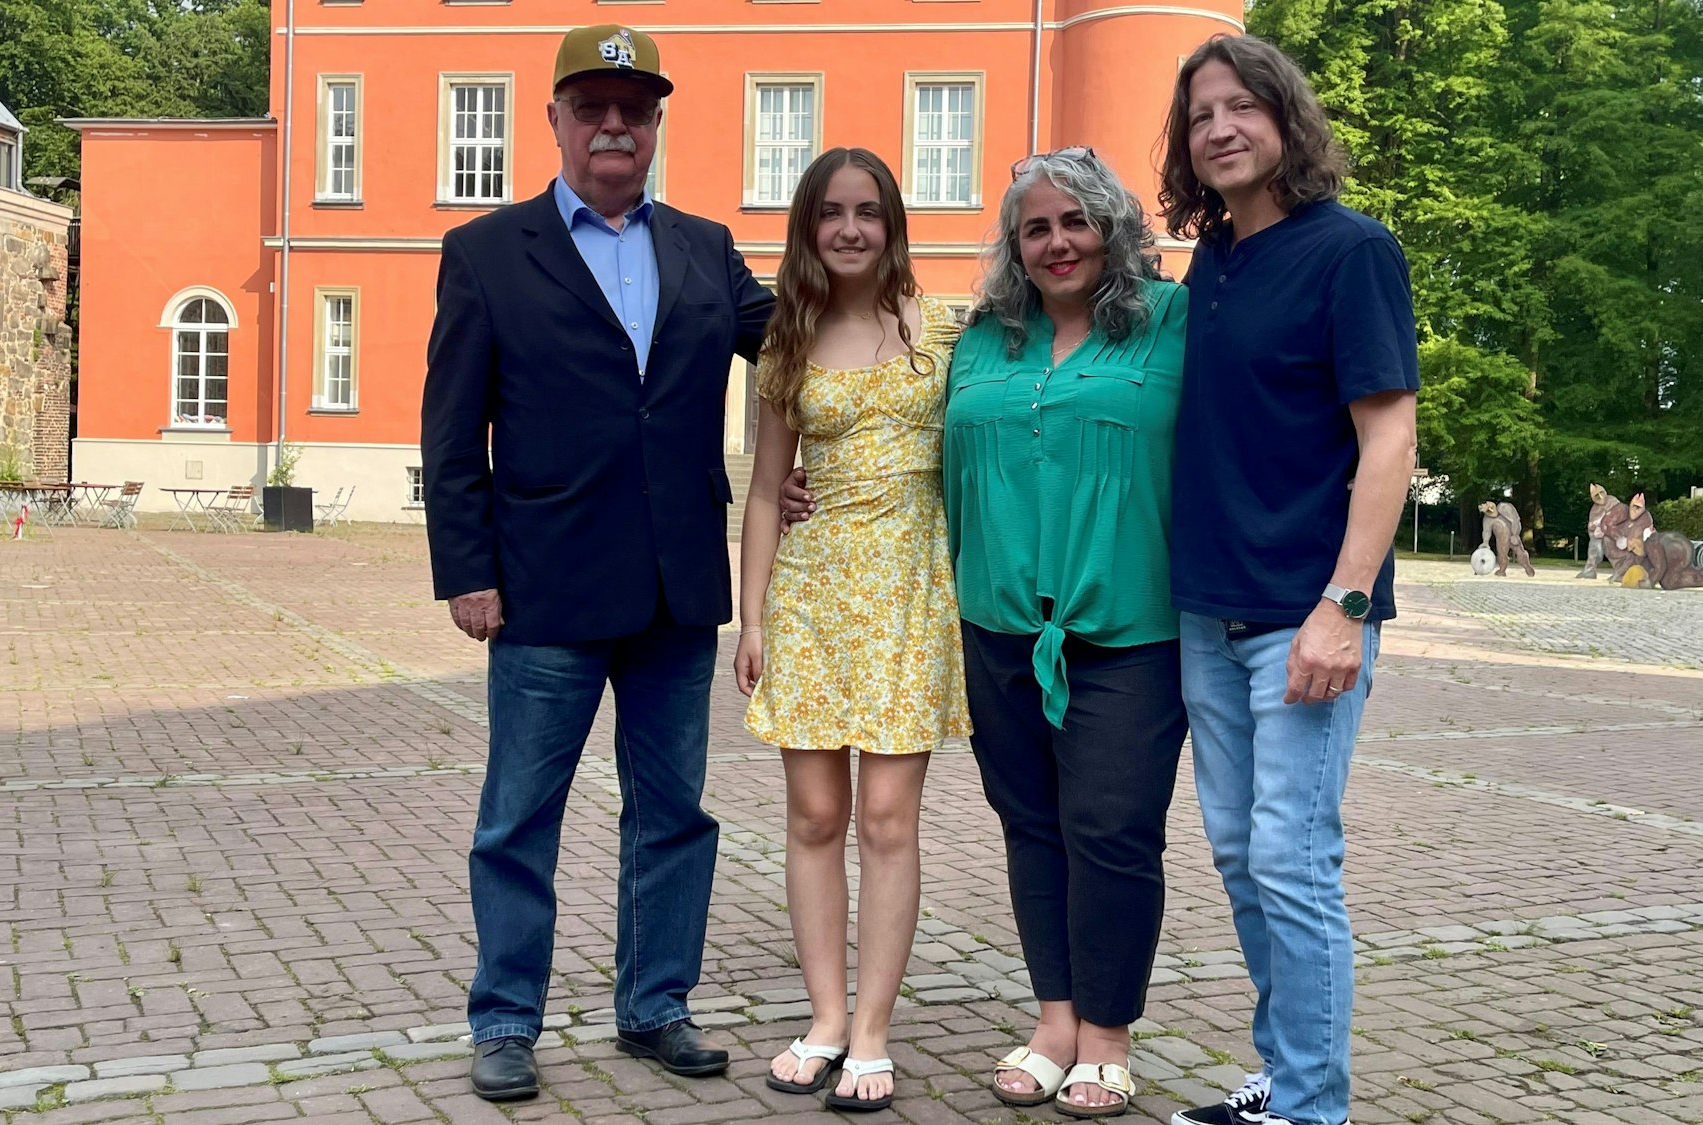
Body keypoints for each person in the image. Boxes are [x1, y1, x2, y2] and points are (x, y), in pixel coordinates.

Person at [792, 148, 1191, 1120]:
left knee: (1111, 830)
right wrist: (808, 482)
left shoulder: (1172, 321)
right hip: (997, 624)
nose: (1056, 242)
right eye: (1035, 228)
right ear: (1014, 246)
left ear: (1112, 228)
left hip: (1126, 627)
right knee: (1031, 825)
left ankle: (1106, 1035)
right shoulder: (979, 340)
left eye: (1075, 221)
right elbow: (881, 420)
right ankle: (1055, 1021)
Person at [419, 23, 773, 1104]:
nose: (614, 125)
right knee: (519, 818)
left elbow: (802, 345)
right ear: (556, 120)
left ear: (655, 125)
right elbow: (451, 428)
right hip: (544, 588)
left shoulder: (705, 247)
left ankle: (655, 1003)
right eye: (592, 107)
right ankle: (504, 1019)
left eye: (634, 109)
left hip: (675, 587)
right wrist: (465, 569)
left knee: (674, 814)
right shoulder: (487, 251)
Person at [1159, 35, 1419, 1125]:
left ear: (1285, 117)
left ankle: (1312, 1107)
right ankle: (1287, 1072)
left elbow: (1389, 435)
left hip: (1303, 615)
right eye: (1199, 114)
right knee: (1239, 853)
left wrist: (1344, 607)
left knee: (1291, 856)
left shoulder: (1351, 251)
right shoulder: (1212, 263)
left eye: (1241, 106)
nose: (1219, 128)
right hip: (1206, 610)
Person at [734, 147, 969, 1113]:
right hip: (813, 595)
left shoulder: (945, 328)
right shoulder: (786, 344)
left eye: (867, 211)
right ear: (807, 227)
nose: (849, 229)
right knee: (814, 816)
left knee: (887, 819)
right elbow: (764, 491)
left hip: (911, 592)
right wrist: (751, 618)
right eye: (830, 212)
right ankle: (826, 1017)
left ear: (892, 223)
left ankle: (874, 1029)